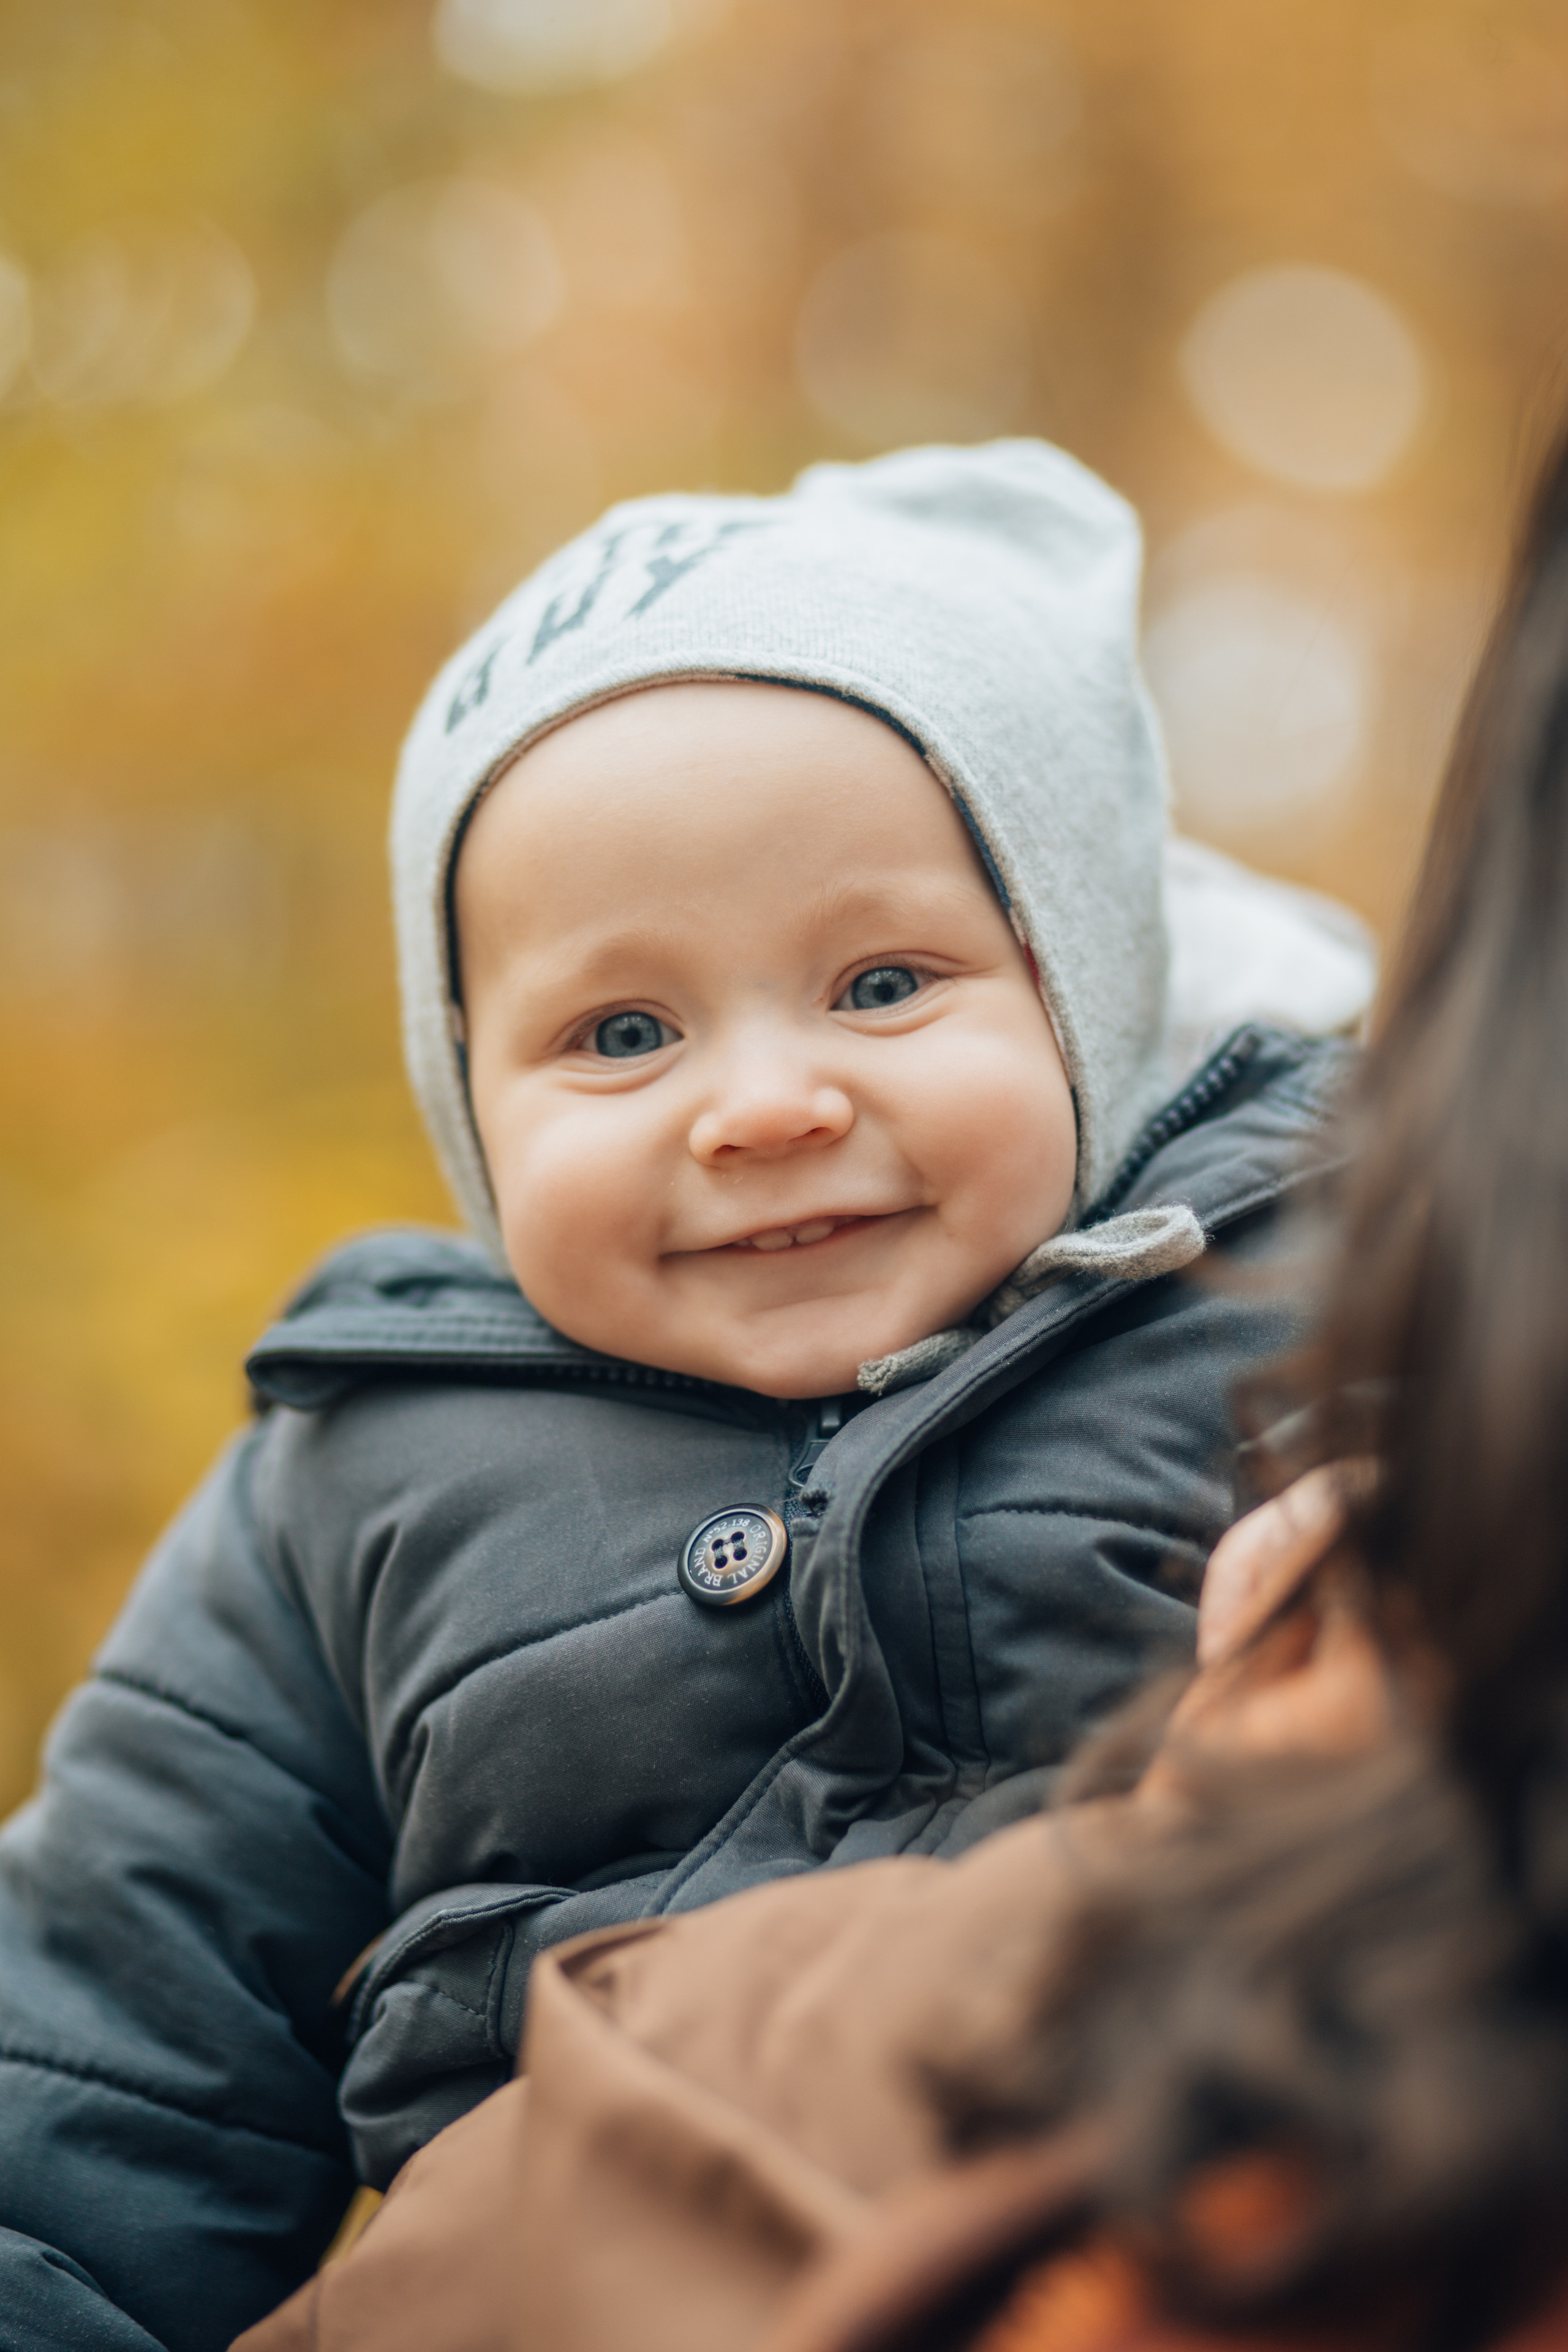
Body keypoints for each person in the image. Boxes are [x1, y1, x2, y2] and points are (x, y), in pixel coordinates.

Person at [0, 440, 1363, 2351]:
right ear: (470, 1090)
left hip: (1165, 2227)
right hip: (562, 2281)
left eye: (882, 984)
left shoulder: (1307, 1299)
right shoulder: (352, 1475)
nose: (767, 1105)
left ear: (1080, 993)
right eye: (624, 1031)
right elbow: (113, 2042)